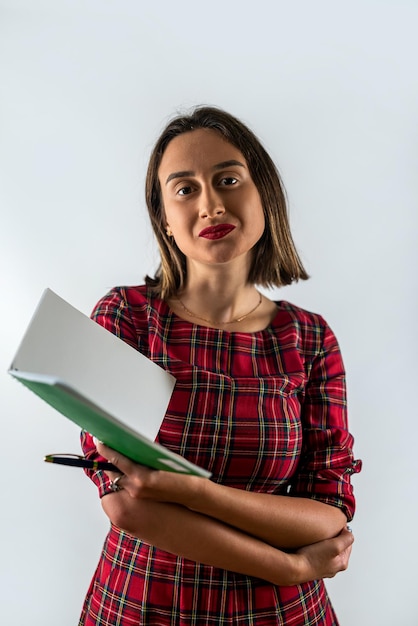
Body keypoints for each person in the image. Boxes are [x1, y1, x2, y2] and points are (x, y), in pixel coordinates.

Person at [79, 106, 361, 625]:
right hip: (141, 609)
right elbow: (127, 505)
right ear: (164, 216)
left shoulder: (311, 338)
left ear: (263, 195)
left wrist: (194, 493)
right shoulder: (125, 318)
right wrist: (288, 566)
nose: (210, 204)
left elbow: (328, 516)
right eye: (185, 189)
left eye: (228, 179)